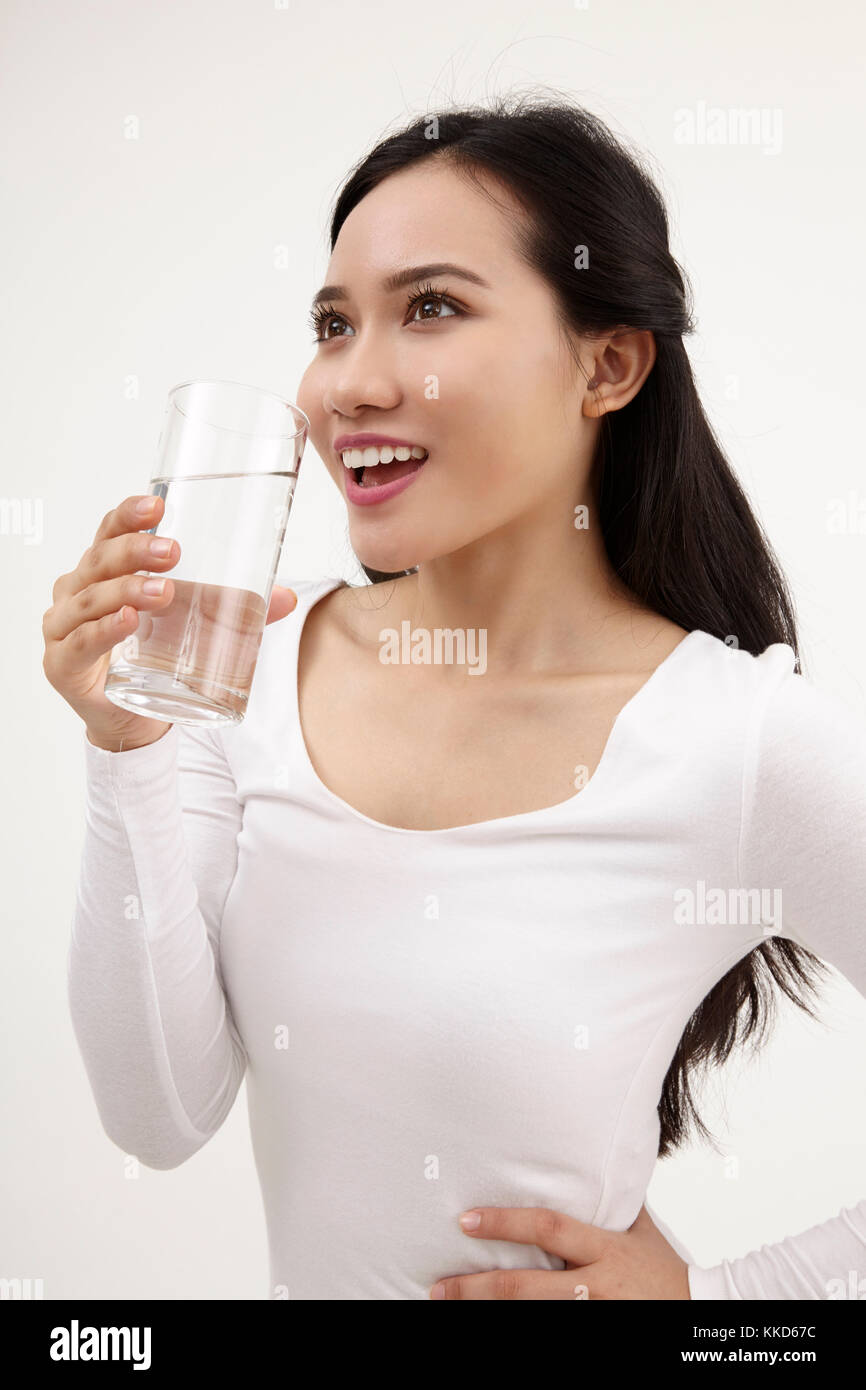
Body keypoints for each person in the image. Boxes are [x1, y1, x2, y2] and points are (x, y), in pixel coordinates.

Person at [44, 94, 866, 1300]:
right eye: (333, 323)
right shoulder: (250, 666)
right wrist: (126, 747)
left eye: (430, 308)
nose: (348, 384)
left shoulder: (739, 741)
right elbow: (158, 1113)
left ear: (607, 363)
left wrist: (720, 1314)